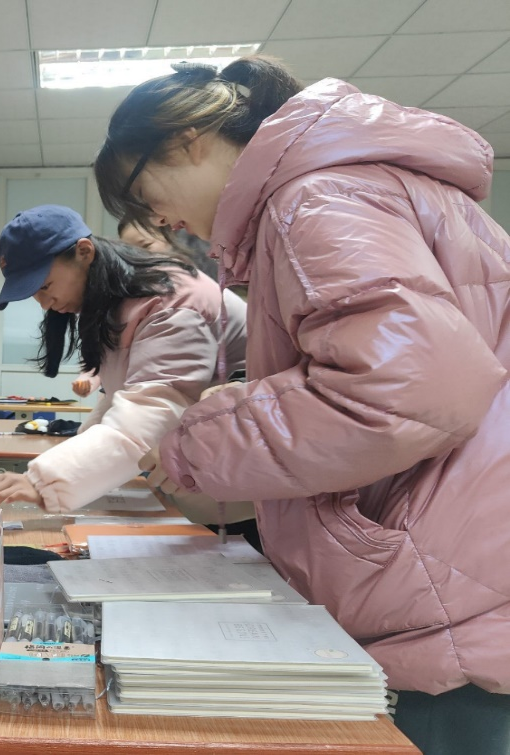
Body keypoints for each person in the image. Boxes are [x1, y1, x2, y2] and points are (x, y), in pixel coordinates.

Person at [95, 56, 510, 755]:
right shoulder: (351, 181)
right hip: (467, 558)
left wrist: (197, 443)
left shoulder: (314, 198)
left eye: (142, 195)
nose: (156, 220)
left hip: (445, 586)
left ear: (189, 139)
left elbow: (405, 390)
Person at [0, 205, 244, 515]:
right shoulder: (116, 300)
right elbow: (119, 400)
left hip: (246, 466)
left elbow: (154, 411)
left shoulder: (170, 298)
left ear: (84, 252)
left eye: (45, 287)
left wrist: (44, 483)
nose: (45, 304)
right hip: (212, 462)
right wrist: (58, 471)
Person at [72, 218, 248, 399]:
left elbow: (161, 394)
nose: (136, 256)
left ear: (173, 241)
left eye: (145, 246)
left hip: (232, 397)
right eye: (129, 249)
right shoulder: (138, 296)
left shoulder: (181, 292)